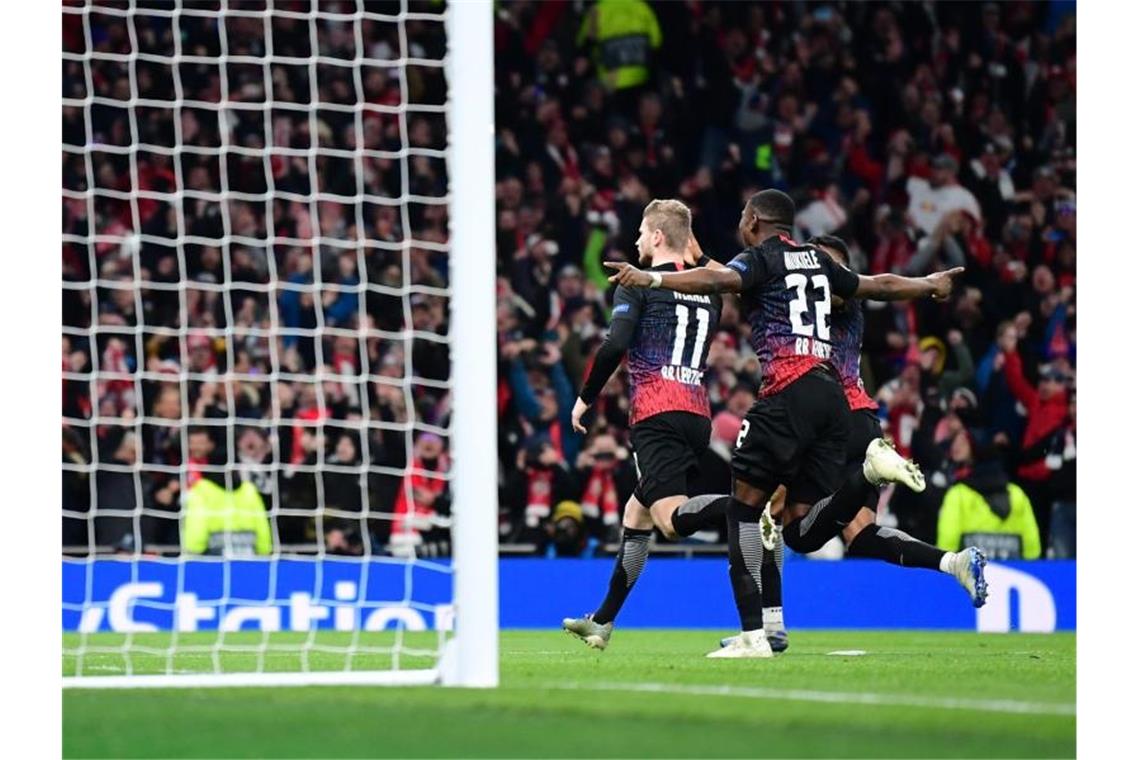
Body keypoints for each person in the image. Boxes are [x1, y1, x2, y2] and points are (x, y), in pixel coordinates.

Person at [606, 189, 964, 658]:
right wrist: (927, 283)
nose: (739, 221)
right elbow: (876, 284)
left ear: (754, 219)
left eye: (741, 214)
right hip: (833, 399)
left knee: (744, 509)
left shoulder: (760, 259)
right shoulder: (818, 262)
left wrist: (652, 281)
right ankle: (867, 474)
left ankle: (755, 635)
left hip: (786, 395)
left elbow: (710, 281)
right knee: (800, 530)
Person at [722, 235, 989, 653]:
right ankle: (952, 563)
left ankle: (769, 626)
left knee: (775, 513)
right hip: (864, 422)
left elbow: (875, 284)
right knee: (861, 535)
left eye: (824, 264)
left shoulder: (834, 295)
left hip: (821, 418)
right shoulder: (831, 300)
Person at [562, 199, 727, 650]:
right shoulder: (710, 289)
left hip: (657, 413)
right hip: (696, 412)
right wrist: (697, 253)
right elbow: (725, 278)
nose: (635, 241)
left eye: (641, 231)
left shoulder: (637, 286)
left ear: (656, 236)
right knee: (635, 514)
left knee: (670, 520)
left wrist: (585, 398)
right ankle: (603, 621)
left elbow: (615, 345)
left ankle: (746, 509)